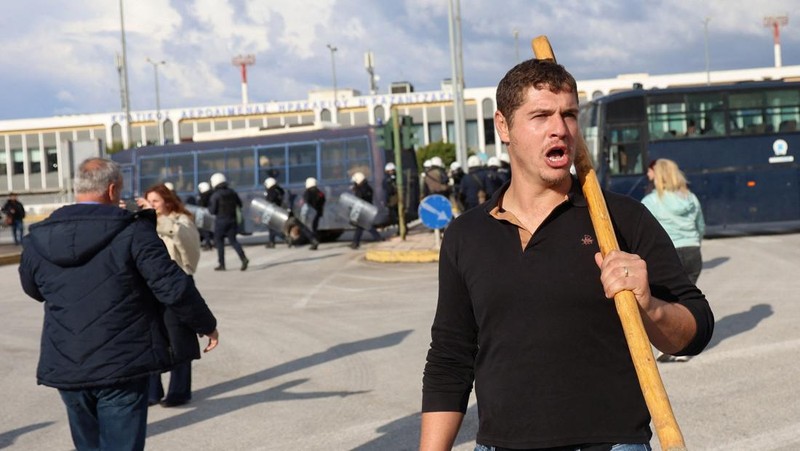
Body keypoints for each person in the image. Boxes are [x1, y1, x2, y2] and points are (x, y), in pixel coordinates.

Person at [420, 59, 714, 451]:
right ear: (503, 126)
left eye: (569, 114)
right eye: (541, 115)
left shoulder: (621, 220)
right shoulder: (467, 234)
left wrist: (651, 307)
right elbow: (450, 360)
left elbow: (696, 330)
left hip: (611, 445)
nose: (559, 128)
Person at [18, 158, 219, 451]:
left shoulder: (38, 237)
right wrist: (206, 324)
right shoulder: (132, 231)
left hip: (67, 361)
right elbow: (172, 286)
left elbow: (32, 288)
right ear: (112, 190)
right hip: (122, 362)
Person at [137, 183, 203, 407]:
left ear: (167, 201)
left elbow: (186, 244)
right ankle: (152, 390)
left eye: (155, 201)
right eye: (148, 202)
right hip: (150, 285)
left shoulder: (182, 220)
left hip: (176, 285)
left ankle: (179, 390)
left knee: (179, 339)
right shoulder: (144, 223)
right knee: (150, 339)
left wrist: (156, 218)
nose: (152, 205)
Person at [208, 172, 249, 271]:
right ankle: (243, 258)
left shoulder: (215, 195)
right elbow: (240, 204)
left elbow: (212, 211)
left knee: (219, 243)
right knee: (233, 241)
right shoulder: (232, 192)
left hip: (221, 221)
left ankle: (222, 264)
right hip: (232, 220)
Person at [349, 172, 383, 249]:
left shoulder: (361, 189)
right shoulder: (367, 187)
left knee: (365, 226)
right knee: (362, 226)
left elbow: (359, 199)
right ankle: (355, 243)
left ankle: (356, 243)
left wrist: (356, 190)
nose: (354, 183)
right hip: (366, 209)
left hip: (363, 209)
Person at [301, 177, 325, 249]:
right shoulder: (320, 192)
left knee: (305, 228)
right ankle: (315, 242)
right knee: (314, 228)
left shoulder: (308, 192)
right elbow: (323, 201)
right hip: (318, 213)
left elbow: (306, 203)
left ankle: (313, 241)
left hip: (310, 213)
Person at [263, 177, 286, 248]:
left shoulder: (271, 191)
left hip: (272, 211)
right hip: (278, 210)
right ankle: (271, 242)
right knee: (271, 227)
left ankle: (285, 238)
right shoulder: (278, 190)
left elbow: (269, 201)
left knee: (272, 228)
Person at [197, 181, 215, 250]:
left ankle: (208, 244)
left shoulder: (203, 196)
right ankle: (214, 243)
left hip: (206, 215)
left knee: (205, 230)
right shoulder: (212, 194)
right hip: (212, 214)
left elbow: (201, 206)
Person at [382, 162, 399, 226]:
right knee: (393, 214)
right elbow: (386, 190)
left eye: (392, 171)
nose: (391, 172)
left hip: (396, 198)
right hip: (391, 199)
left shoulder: (397, 178)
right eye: (389, 171)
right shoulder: (386, 180)